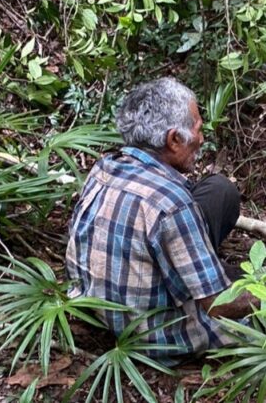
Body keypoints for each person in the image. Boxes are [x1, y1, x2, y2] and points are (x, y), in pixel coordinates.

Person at [65, 77, 255, 365]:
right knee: (263, 316)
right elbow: (218, 305)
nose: (201, 139)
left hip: (97, 309)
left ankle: (211, 271)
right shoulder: (172, 204)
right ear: (173, 139)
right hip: (154, 335)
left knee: (218, 190)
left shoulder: (104, 167)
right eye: (197, 130)